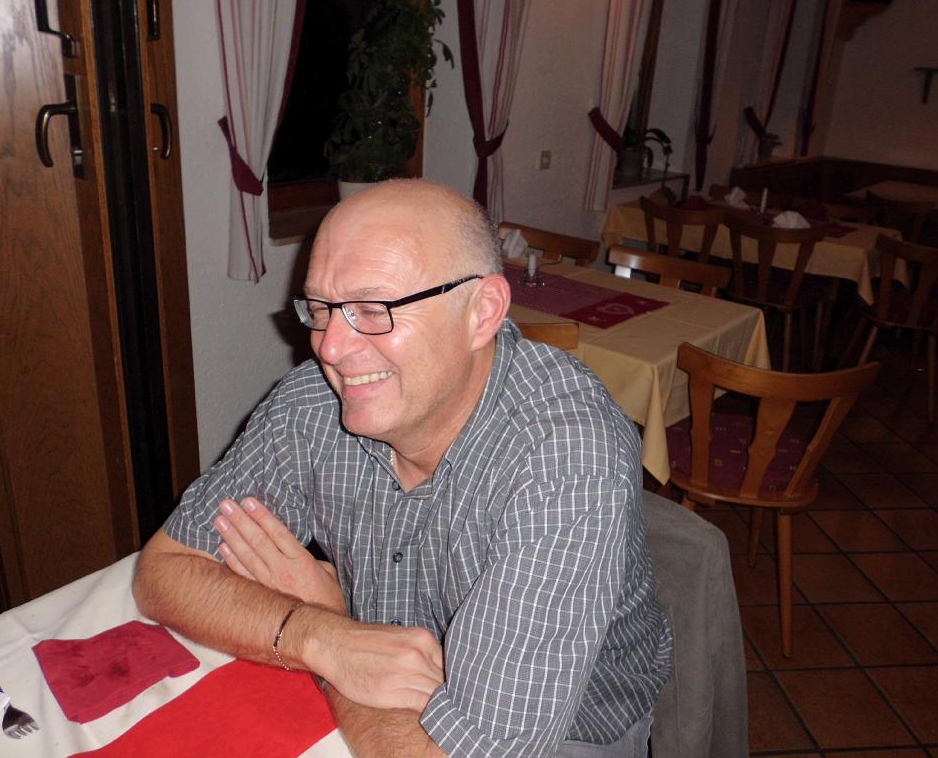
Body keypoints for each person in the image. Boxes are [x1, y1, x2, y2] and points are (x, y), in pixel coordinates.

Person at [133, 179, 671, 757]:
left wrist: (329, 627)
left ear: (483, 312)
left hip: (567, 729)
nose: (330, 348)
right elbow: (163, 571)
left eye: (374, 309)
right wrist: (326, 637)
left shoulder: (568, 456)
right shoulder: (311, 403)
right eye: (321, 309)